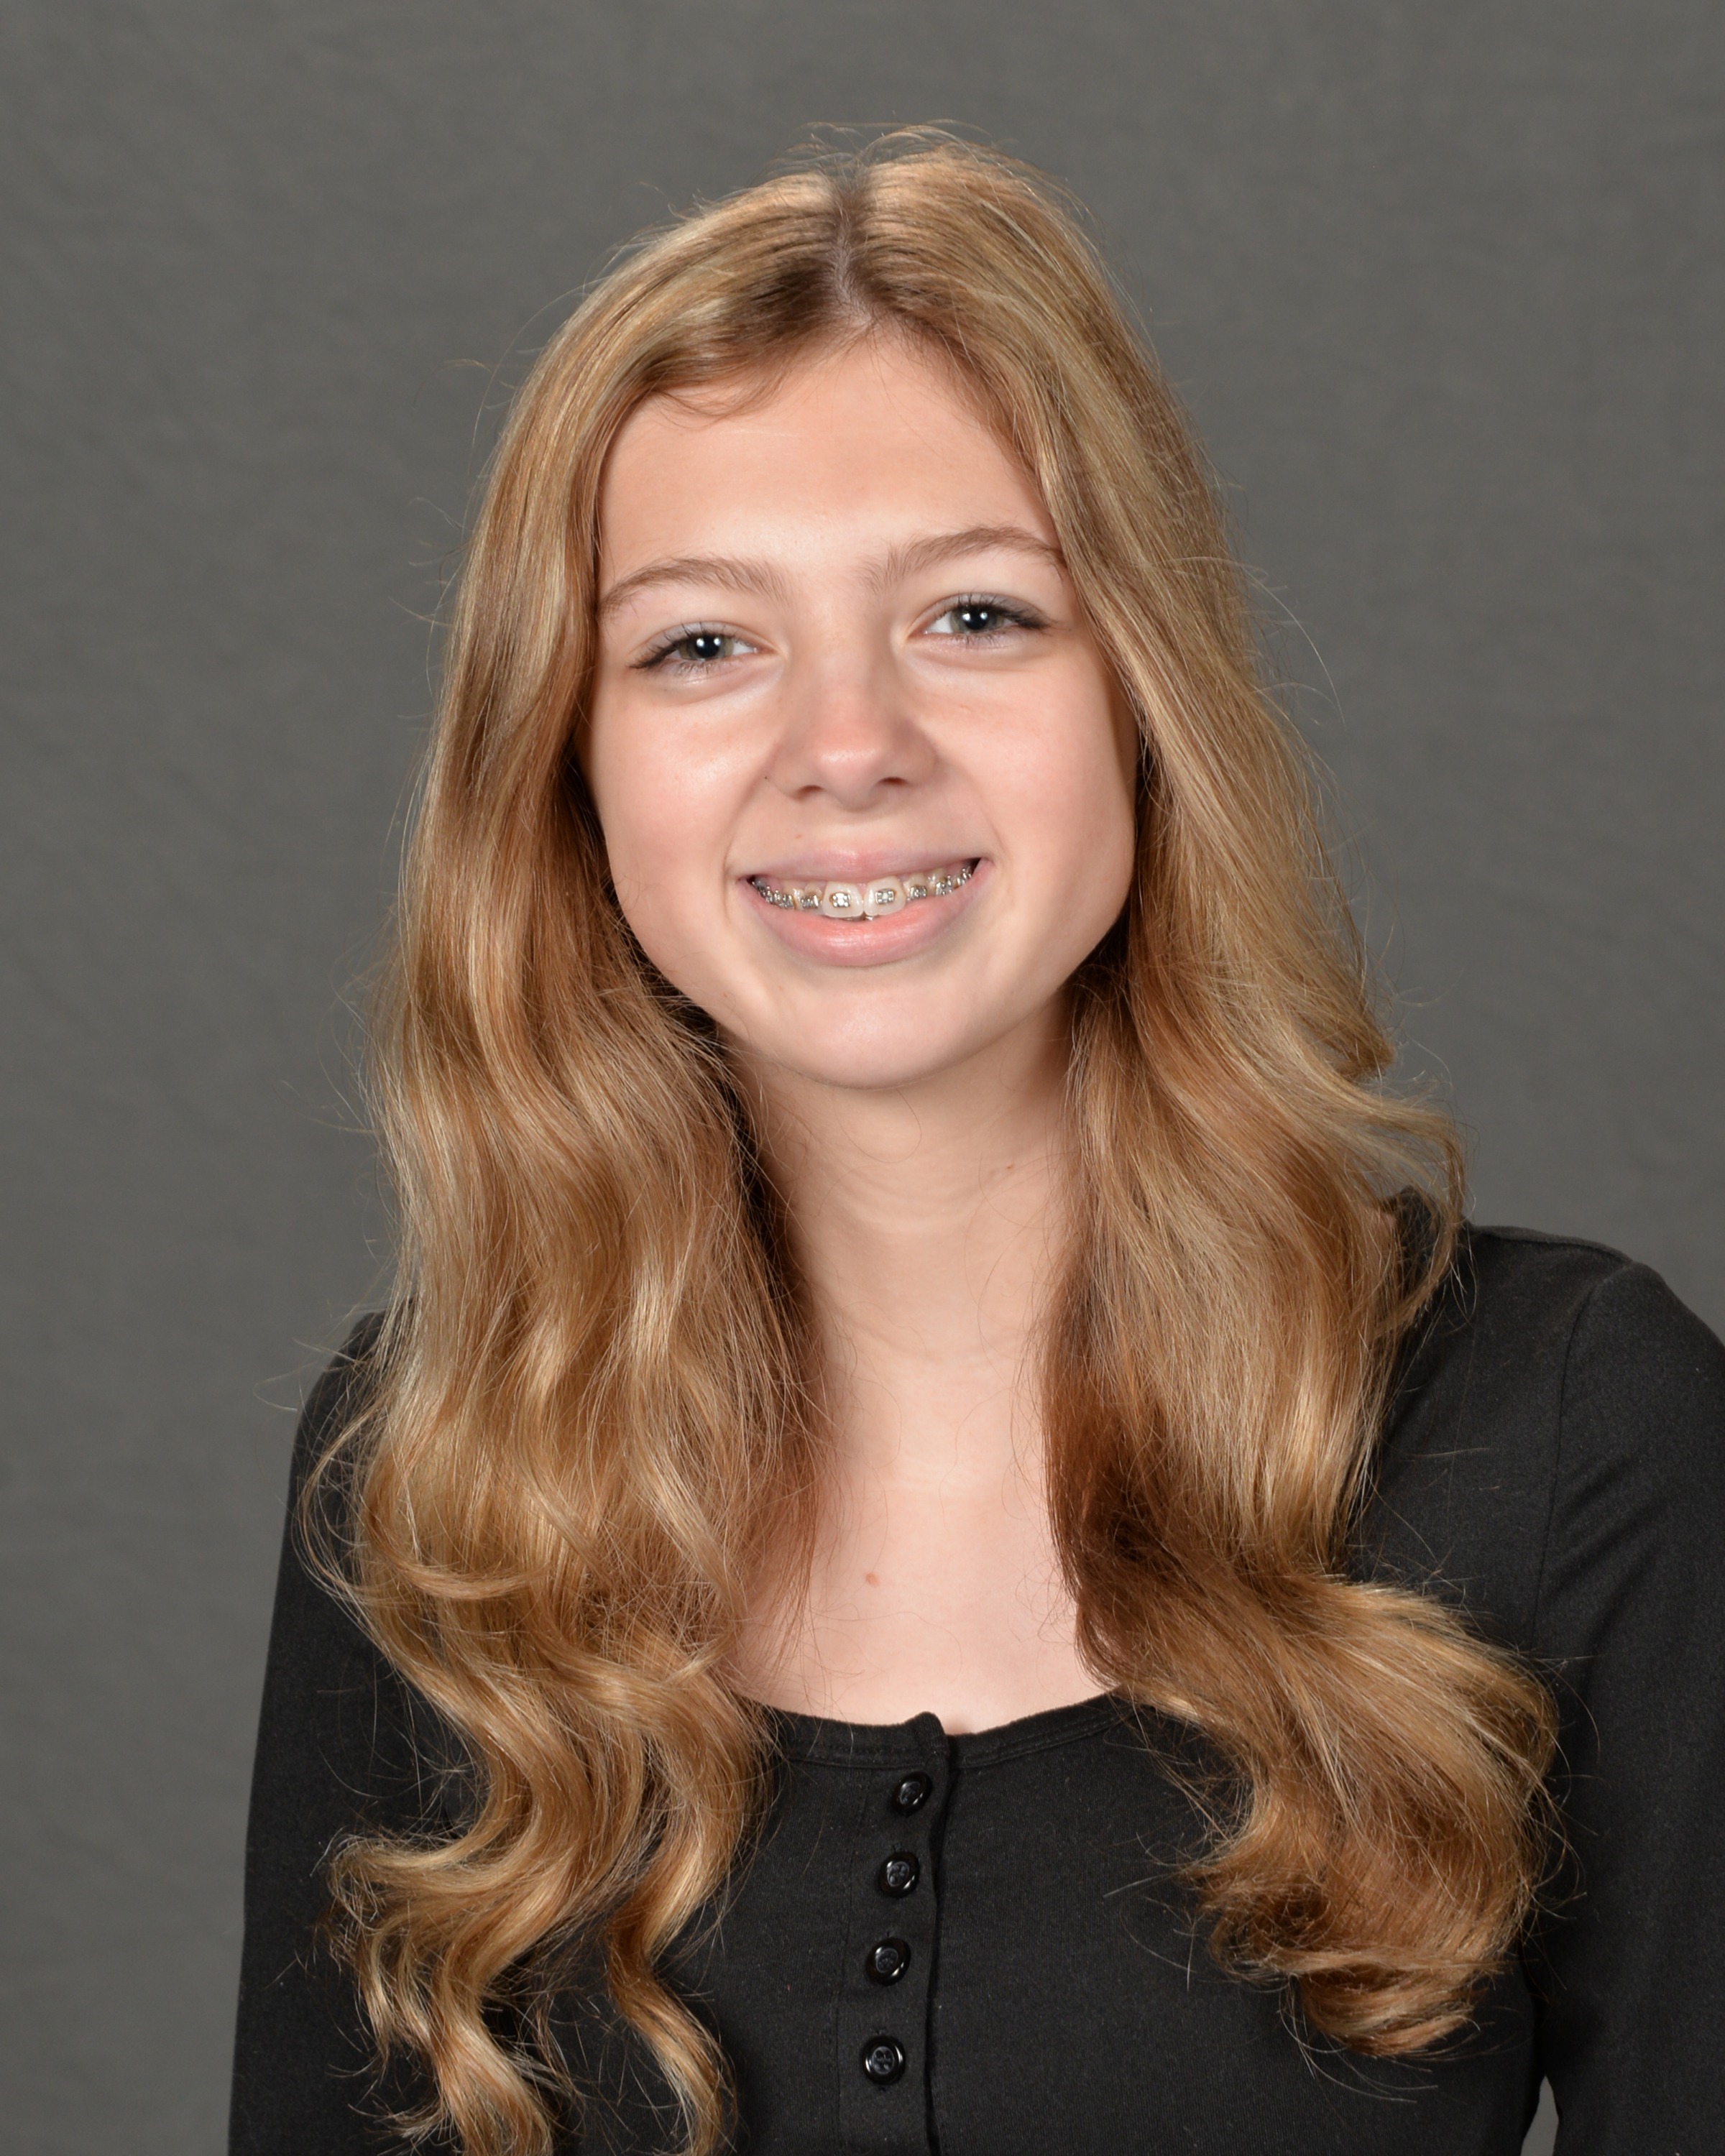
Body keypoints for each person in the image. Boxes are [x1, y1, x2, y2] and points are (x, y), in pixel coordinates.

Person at [229, 134, 1725, 2156]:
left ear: (1143, 699)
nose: (849, 746)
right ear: (565, 772)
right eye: (701, 644)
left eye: (975, 614)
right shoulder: (435, 1479)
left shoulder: (1571, 1432)